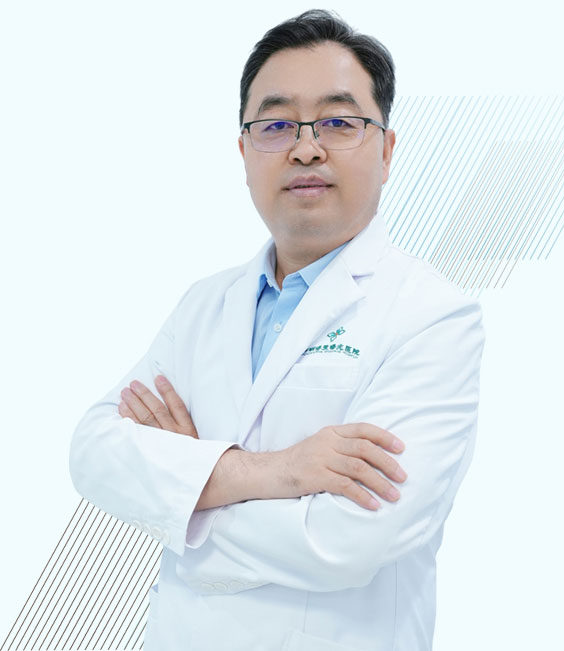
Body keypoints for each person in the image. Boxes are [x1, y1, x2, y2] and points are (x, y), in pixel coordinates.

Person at [69, 9, 486, 651]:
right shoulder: (206, 304)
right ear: (244, 153)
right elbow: (95, 452)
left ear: (386, 150)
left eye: (339, 122)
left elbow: (348, 543)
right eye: (276, 125)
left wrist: (180, 501)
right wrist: (282, 473)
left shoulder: (431, 315)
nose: (306, 147)